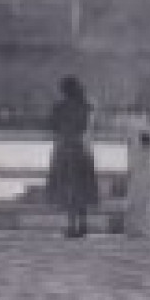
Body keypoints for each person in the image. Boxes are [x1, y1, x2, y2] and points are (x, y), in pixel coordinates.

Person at [46, 75, 100, 238]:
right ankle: (83, 224)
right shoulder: (87, 107)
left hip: (64, 149)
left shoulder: (60, 108)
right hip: (82, 149)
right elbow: (89, 126)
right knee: (82, 188)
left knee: (68, 188)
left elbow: (52, 125)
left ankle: (71, 225)